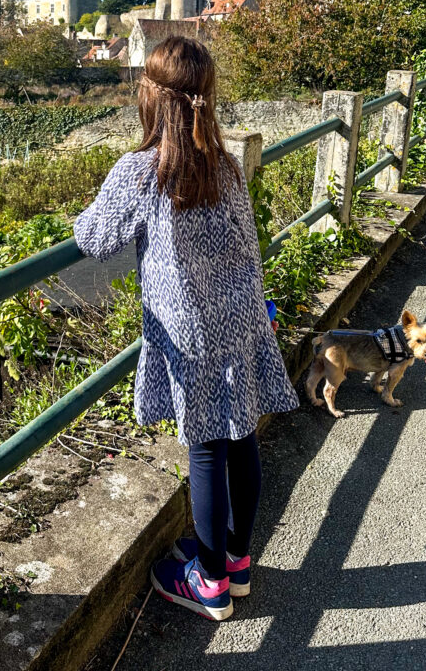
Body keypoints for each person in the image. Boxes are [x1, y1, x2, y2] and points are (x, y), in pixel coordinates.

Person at [73, 35, 298, 621]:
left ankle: (210, 581)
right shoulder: (223, 165)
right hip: (244, 318)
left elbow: (95, 240)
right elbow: (249, 246)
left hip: (191, 330)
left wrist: (82, 209)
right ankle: (238, 563)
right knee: (242, 437)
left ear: (151, 98)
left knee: (204, 450)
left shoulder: (142, 170)